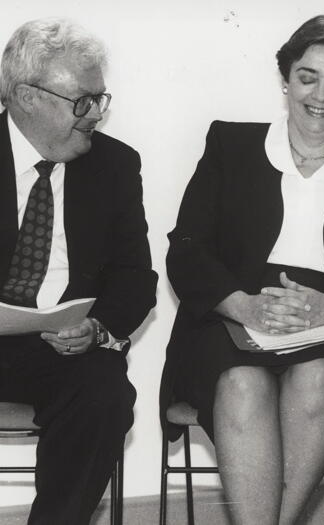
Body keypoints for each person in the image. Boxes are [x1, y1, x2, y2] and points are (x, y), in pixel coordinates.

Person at [160, 14, 324, 525]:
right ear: (285, 80)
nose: (319, 94)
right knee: (241, 384)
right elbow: (185, 252)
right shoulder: (230, 145)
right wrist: (244, 305)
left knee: (317, 379)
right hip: (231, 319)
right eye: (307, 76)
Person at [0, 18, 157, 524]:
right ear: (26, 96)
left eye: (100, 98)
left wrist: (96, 329)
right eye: (82, 100)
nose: (96, 114)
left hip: (58, 350)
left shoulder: (114, 165)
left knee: (105, 394)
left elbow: (136, 278)